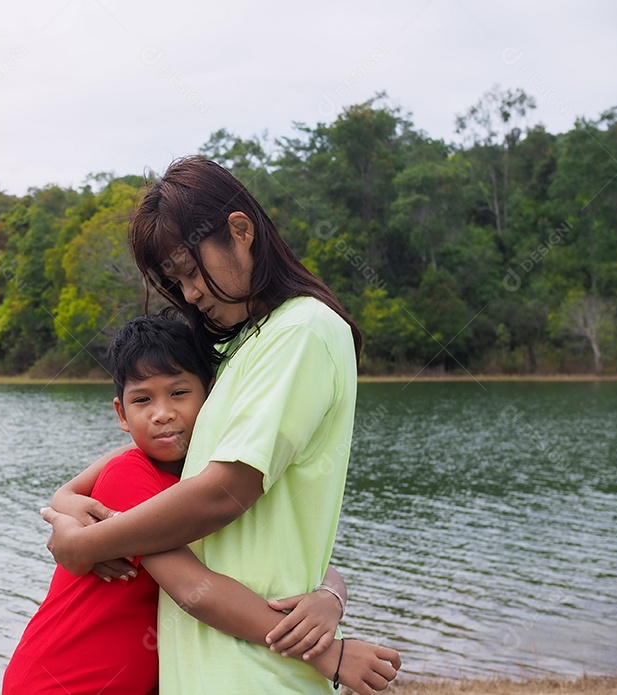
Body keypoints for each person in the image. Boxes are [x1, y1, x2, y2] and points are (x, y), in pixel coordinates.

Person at [42, 156, 383, 693]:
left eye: (191, 271)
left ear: (240, 231)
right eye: (175, 281)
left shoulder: (302, 331)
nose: (191, 293)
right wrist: (65, 502)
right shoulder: (245, 346)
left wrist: (86, 545)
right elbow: (155, 460)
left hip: (258, 675)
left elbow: (225, 493)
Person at [4, 315, 400, 695]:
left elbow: (301, 555)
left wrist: (331, 598)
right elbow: (197, 590)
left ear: (211, 394)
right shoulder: (131, 476)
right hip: (62, 682)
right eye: (143, 400)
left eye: (179, 392)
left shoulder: (210, 484)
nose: (163, 414)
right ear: (122, 414)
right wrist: (328, 653)